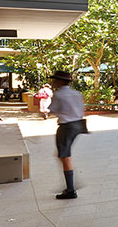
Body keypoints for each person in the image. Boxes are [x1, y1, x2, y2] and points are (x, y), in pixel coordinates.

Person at [48, 71, 86, 200]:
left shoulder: (58, 95)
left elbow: (53, 109)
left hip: (66, 126)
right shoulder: (76, 93)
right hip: (78, 124)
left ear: (60, 81)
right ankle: (71, 182)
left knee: (65, 157)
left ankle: (71, 189)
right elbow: (81, 109)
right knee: (63, 155)